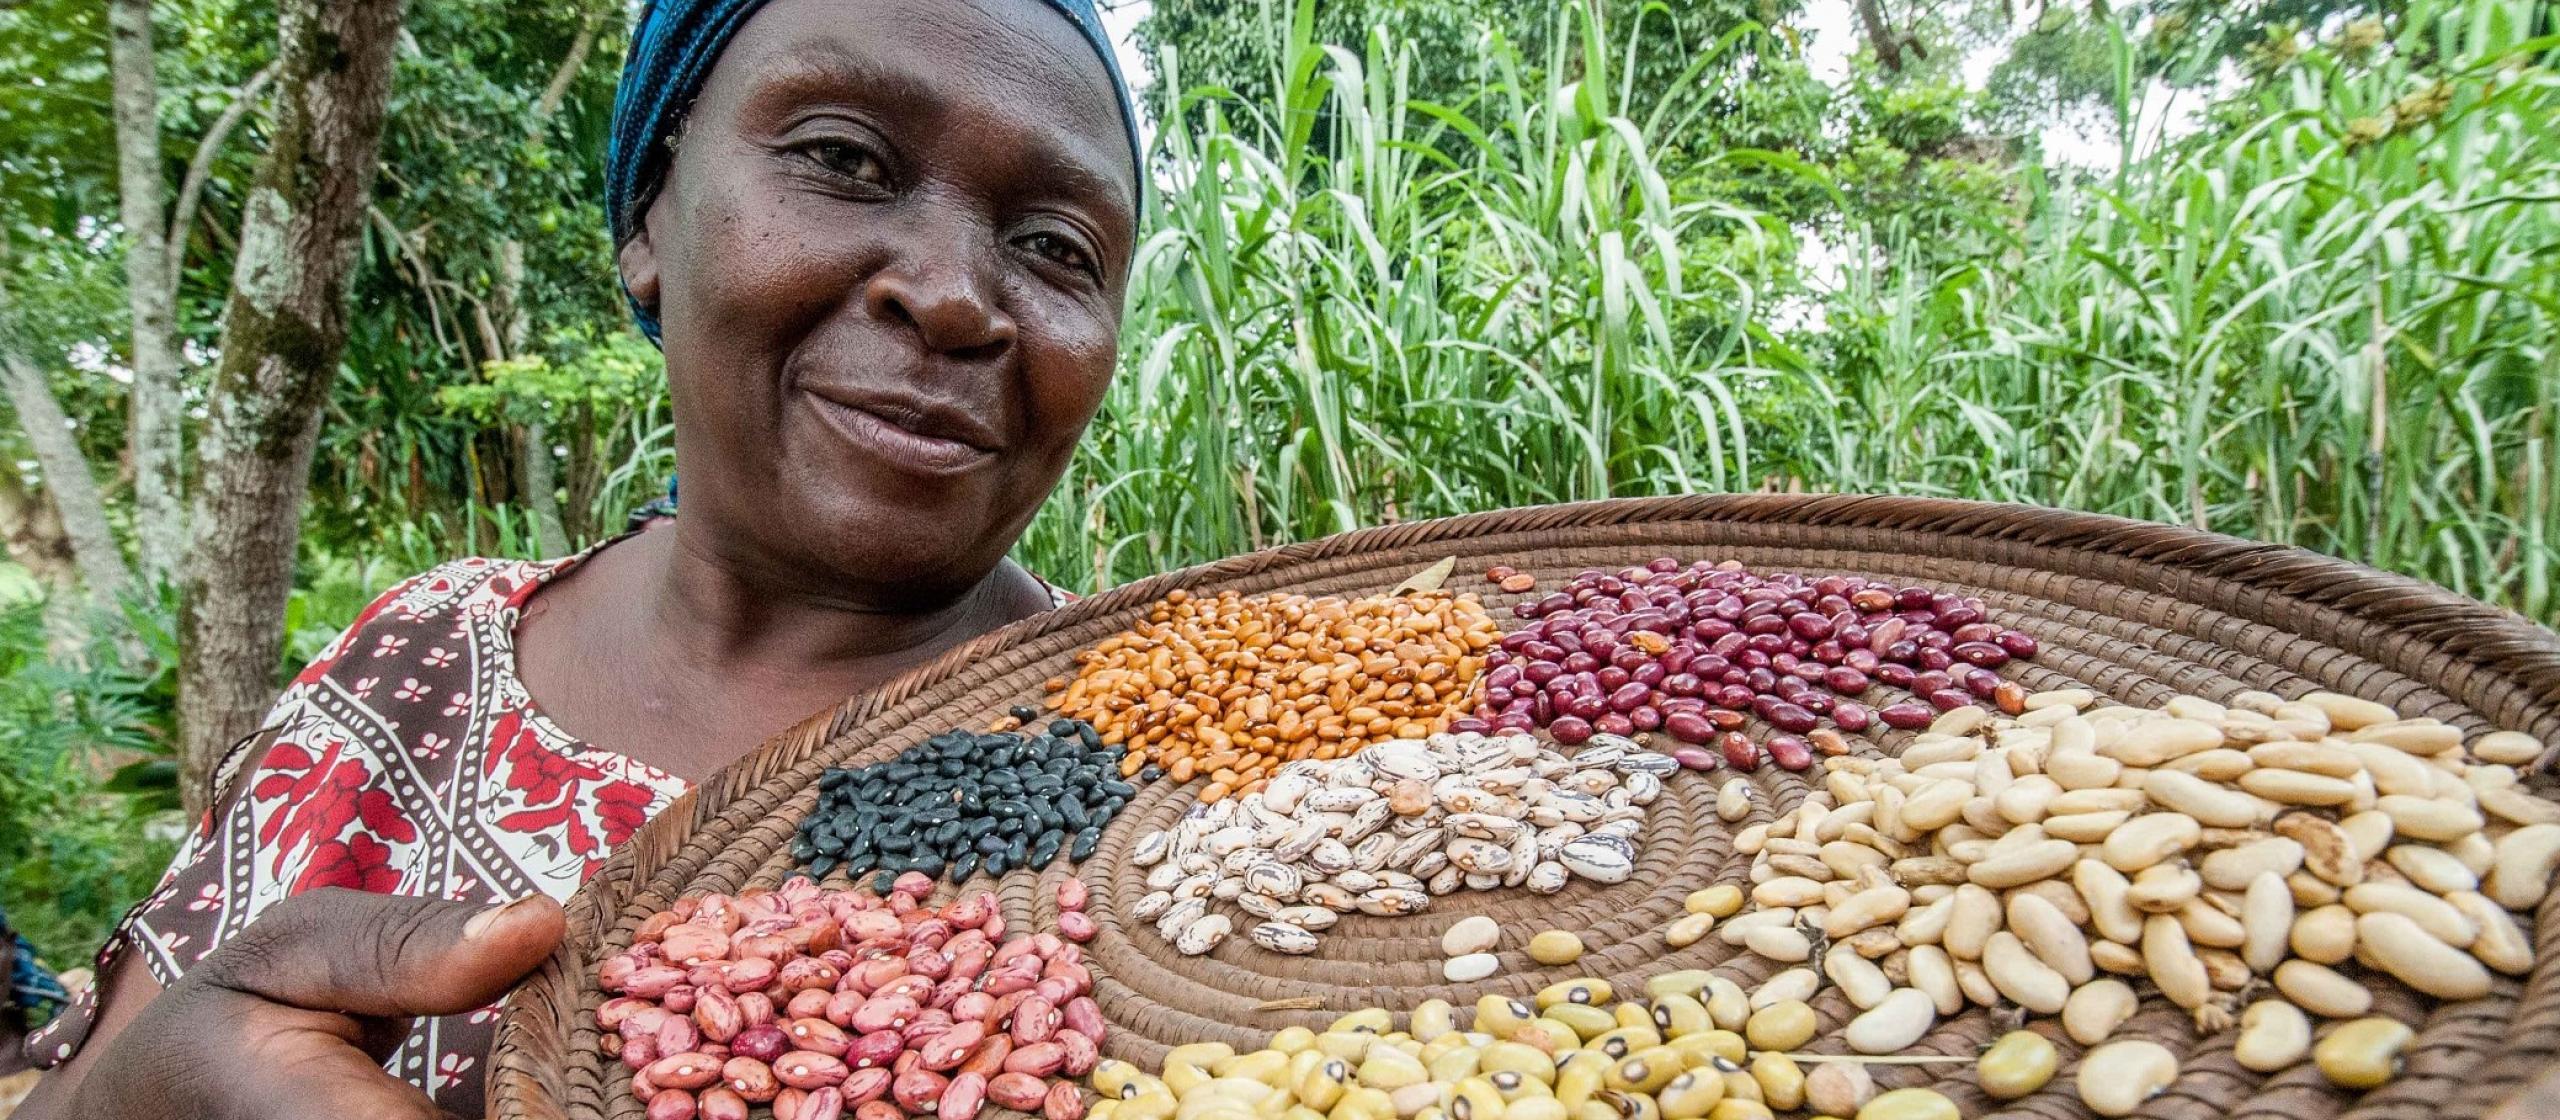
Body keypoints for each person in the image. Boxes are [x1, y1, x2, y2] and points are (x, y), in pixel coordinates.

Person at [15, 0, 1141, 1114]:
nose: (950, 296)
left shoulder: (1190, 771)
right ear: (652, 216)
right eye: (842, 159)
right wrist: (142, 1092)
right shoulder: (425, 661)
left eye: (1058, 246)